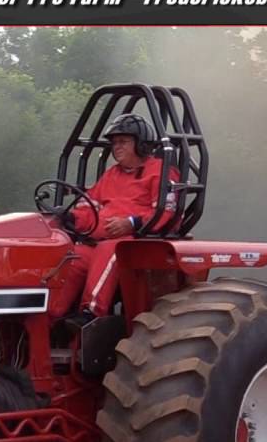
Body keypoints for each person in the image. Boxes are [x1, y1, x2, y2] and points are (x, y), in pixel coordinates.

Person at [48, 113, 177, 320]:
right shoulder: (112, 174)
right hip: (97, 242)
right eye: (115, 143)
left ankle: (90, 314)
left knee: (109, 250)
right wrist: (71, 218)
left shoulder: (161, 172)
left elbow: (166, 213)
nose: (117, 147)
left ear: (142, 145)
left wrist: (132, 223)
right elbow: (90, 209)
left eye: (123, 142)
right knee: (72, 256)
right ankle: (49, 317)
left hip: (135, 241)